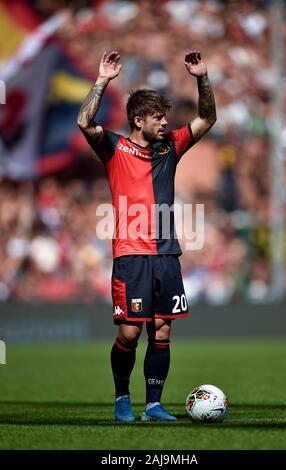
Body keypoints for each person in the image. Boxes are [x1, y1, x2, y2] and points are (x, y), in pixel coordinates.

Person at [77, 50, 216, 422]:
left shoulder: (171, 146)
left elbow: (207, 118)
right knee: (128, 334)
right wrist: (103, 80)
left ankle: (153, 404)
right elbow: (83, 121)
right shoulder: (113, 147)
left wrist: (201, 77)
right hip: (131, 255)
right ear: (139, 120)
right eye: (158, 117)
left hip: (166, 255)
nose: (165, 122)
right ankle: (122, 396)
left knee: (162, 330)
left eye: (165, 116)